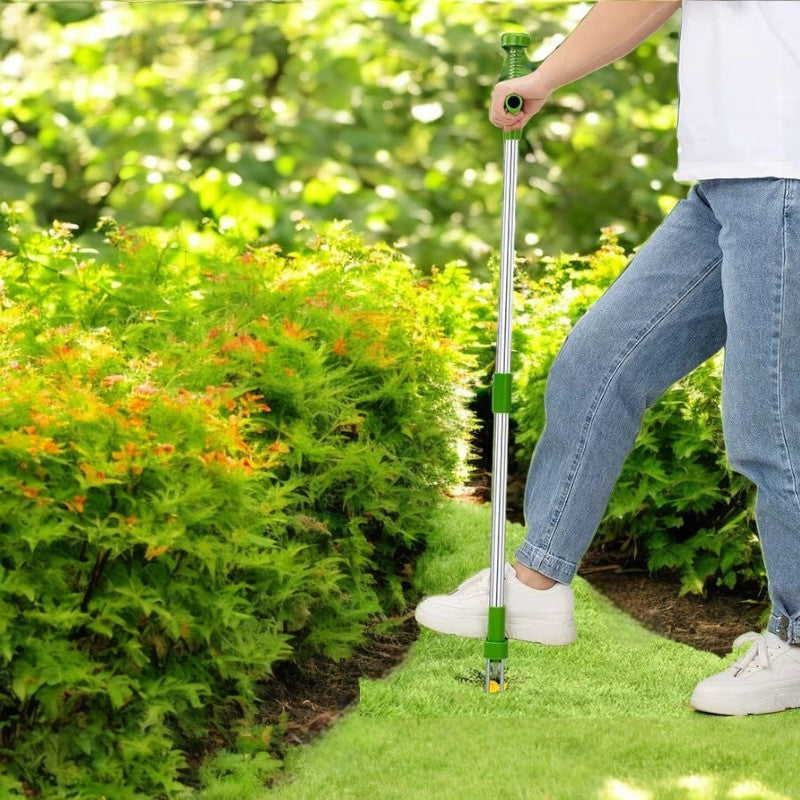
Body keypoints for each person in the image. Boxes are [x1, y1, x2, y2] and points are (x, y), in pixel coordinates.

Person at [415, 0, 800, 716]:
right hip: (727, 179)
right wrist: (549, 77)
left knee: (769, 427)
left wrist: (547, 75)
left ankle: (799, 641)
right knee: (599, 364)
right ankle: (537, 588)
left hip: (782, 173)